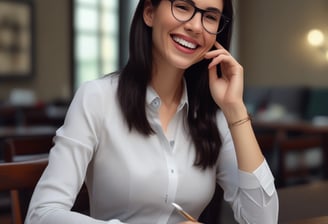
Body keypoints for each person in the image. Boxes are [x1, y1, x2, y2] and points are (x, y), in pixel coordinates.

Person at [25, 0, 279, 223]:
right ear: (149, 12)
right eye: (182, 7)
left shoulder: (212, 114)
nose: (195, 26)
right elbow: (42, 214)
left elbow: (263, 220)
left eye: (210, 17)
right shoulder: (97, 97)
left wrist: (235, 109)